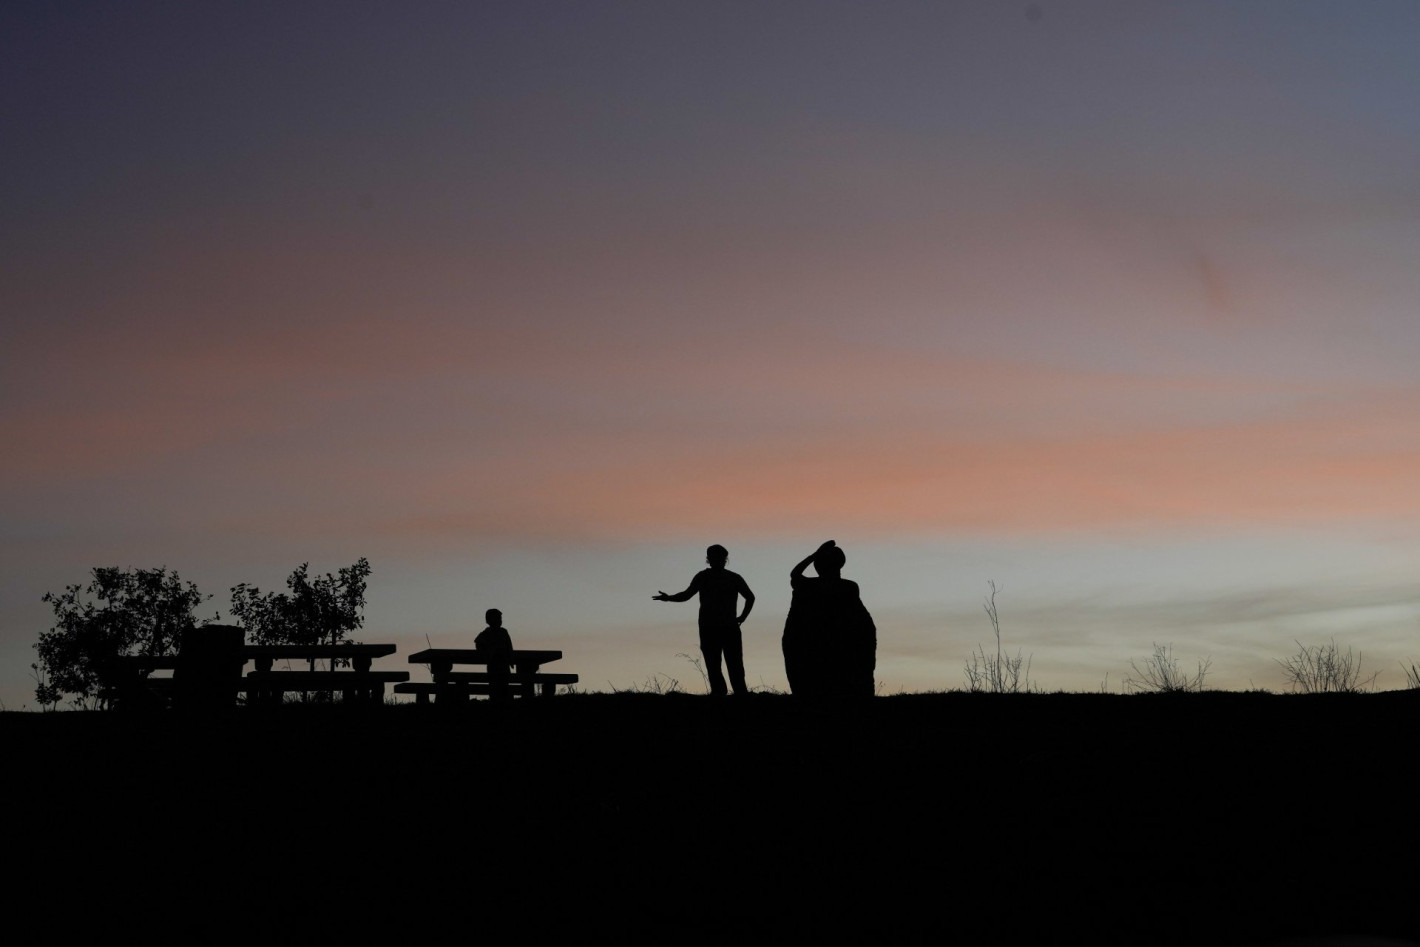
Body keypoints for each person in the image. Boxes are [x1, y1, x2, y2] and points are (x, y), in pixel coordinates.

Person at [653, 544, 756, 696]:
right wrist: (668, 598)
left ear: (724, 559)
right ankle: (721, 693)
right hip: (711, 628)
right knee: (714, 664)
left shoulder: (732, 578)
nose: (717, 560)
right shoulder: (705, 577)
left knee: (733, 665)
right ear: (709, 559)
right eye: (714, 557)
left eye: (720, 557)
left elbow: (750, 597)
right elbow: (687, 595)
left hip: (726, 627)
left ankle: (739, 694)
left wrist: (742, 617)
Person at [782, 540, 875, 697]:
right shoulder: (847, 586)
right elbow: (795, 575)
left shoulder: (817, 585)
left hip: (833, 641)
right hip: (824, 641)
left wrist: (814, 554)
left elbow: (795, 574)